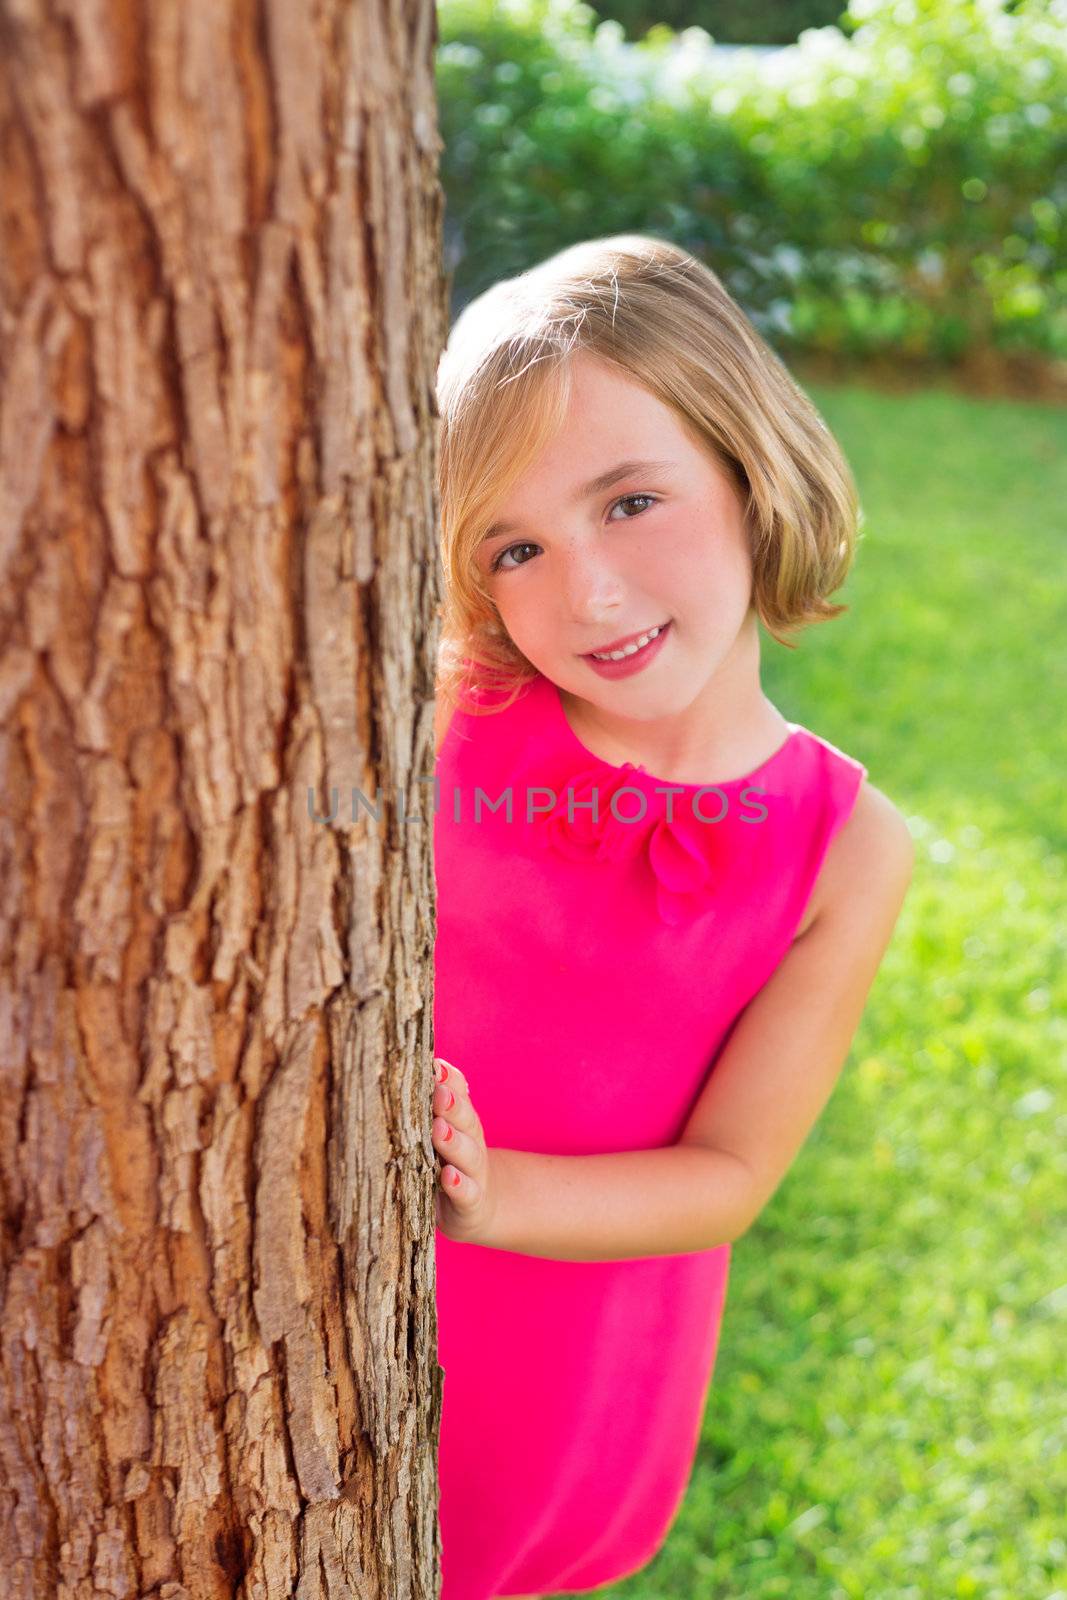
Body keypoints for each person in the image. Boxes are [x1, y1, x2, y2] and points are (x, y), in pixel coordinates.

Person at [428, 234, 914, 1600]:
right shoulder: (441, 729)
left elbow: (729, 1175)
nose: (585, 590)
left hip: (566, 1356)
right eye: (516, 547)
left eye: (630, 502)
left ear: (746, 461)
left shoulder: (846, 849)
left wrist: (491, 1192)